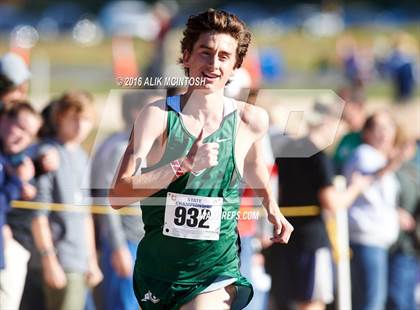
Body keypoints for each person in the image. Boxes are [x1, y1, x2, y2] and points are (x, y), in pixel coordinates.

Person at [109, 8, 293, 310]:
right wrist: (181, 165)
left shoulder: (250, 120)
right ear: (186, 57)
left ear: (235, 66)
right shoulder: (157, 117)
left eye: (224, 57)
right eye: (205, 53)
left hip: (216, 269)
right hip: (159, 272)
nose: (213, 64)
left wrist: (271, 207)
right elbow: (118, 195)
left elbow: (254, 164)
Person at [267, 101, 370, 310]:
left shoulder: (285, 152)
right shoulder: (318, 156)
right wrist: (356, 188)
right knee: (312, 302)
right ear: (328, 124)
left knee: (284, 301)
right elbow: (331, 202)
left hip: (284, 237)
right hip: (311, 240)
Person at [91, 90, 163, 310]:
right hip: (127, 243)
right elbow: (107, 202)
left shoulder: (153, 146)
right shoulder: (119, 148)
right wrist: (118, 247)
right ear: (136, 112)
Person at [32, 91, 103, 310]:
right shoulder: (47, 154)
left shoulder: (82, 156)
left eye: (87, 120)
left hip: (79, 262)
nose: (81, 126)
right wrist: (49, 260)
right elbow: (38, 215)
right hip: (58, 261)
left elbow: (85, 216)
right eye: (74, 118)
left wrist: (91, 260)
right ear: (60, 117)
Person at [344, 111, 400, 310]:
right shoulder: (364, 154)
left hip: (378, 241)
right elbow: (372, 176)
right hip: (367, 239)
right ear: (366, 133)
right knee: (372, 302)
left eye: (388, 128)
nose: (384, 134)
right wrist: (397, 159)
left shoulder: (378, 157)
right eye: (378, 128)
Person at [0, 102, 40, 310]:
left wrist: (38, 170)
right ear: (4, 119)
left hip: (12, 250)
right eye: (21, 128)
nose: (24, 138)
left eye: (30, 134)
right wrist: (18, 182)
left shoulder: (19, 160)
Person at [387, 126, 419, 310]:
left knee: (401, 299)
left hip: (406, 246)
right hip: (390, 244)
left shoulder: (412, 172)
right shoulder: (387, 168)